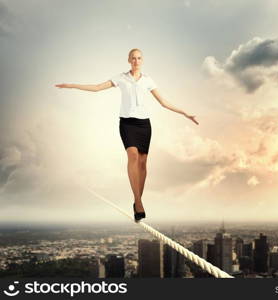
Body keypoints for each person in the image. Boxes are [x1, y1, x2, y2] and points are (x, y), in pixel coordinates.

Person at [55, 48, 199, 222]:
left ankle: (138, 200)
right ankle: (138, 203)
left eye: (139, 58)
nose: (136, 61)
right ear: (128, 60)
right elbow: (97, 88)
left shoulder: (148, 80)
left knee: (143, 163)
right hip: (127, 124)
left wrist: (185, 113)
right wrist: (71, 85)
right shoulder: (121, 78)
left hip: (144, 125)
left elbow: (163, 102)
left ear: (142, 60)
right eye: (133, 58)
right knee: (132, 156)